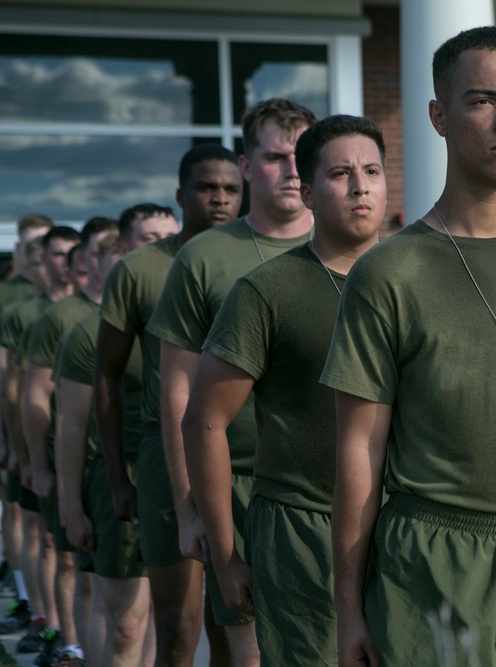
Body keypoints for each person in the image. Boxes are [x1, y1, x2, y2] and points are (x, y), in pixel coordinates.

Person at [326, 26, 496, 667]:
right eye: (482, 100)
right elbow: (359, 448)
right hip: (432, 558)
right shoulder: (388, 273)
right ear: (439, 116)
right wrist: (349, 609)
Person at [183, 115, 385, 665]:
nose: (360, 186)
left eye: (372, 170)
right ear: (308, 188)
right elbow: (204, 421)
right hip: (301, 530)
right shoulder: (265, 291)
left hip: (402, 527)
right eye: (341, 173)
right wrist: (225, 557)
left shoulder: (415, 281)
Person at [147, 99, 316, 667]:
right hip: (237, 484)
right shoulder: (204, 257)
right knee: (250, 653)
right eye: (275, 157)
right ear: (246, 166)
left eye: (302, 156)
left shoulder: (359, 249)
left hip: (335, 482)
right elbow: (177, 390)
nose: (293, 170)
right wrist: (189, 504)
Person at [95, 151, 241, 667]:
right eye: (206, 188)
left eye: (230, 188)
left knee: (235, 627)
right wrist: (118, 476)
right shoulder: (139, 270)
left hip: (238, 460)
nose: (220, 198)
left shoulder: (250, 260)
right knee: (177, 630)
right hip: (168, 459)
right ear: (181, 197)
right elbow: (107, 374)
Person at [24, 218, 114, 664]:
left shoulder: (145, 312)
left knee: (140, 603)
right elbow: (29, 393)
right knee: (74, 567)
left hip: (131, 468)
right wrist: (35, 462)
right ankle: (68, 643)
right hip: (79, 463)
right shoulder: (62, 321)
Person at [54, 232, 135, 666]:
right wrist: (70, 502)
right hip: (106, 480)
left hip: (165, 481)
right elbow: (69, 422)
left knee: (160, 616)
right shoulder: (83, 331)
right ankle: (69, 645)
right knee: (119, 620)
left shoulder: (183, 322)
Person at [8, 225, 80, 658]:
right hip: (44, 443)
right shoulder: (31, 316)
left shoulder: (104, 309)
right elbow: (16, 389)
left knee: (71, 554)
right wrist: (22, 451)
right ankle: (47, 620)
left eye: (71, 254)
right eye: (54, 255)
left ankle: (71, 638)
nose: (64, 263)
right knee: (47, 540)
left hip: (85, 453)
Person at [0, 233, 50, 637]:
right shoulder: (14, 305)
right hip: (20, 427)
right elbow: (10, 383)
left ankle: (60, 628)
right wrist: (14, 445)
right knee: (24, 517)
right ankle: (29, 601)